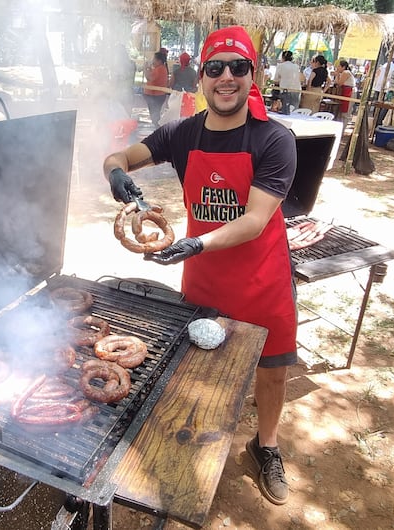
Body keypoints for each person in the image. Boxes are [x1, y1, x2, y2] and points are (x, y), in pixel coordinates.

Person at [103, 26, 297, 506]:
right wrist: (115, 174)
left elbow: (254, 221)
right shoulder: (181, 133)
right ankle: (196, 445)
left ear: (253, 75)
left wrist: (194, 244)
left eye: (238, 67)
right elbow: (119, 155)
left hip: (263, 280)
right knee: (199, 372)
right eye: (215, 68)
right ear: (202, 78)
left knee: (271, 371)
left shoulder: (274, 139)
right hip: (204, 280)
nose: (226, 77)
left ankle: (264, 446)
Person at [143, 51, 169, 127]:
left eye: (154, 59)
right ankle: (157, 128)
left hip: (155, 95)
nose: (152, 60)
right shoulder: (160, 68)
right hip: (156, 95)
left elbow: (149, 78)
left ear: (159, 61)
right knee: (155, 114)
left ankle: (157, 129)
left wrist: (145, 68)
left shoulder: (159, 69)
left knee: (155, 115)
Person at [273, 50, 302, 115]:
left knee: (285, 111)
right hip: (296, 90)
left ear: (283, 57)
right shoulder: (296, 66)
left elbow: (276, 80)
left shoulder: (280, 66)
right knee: (294, 111)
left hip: (285, 90)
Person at [333, 60, 356, 131]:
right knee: (341, 111)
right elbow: (337, 83)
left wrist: (337, 75)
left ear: (343, 67)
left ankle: (342, 129)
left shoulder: (346, 72)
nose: (337, 68)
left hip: (349, 92)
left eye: (339, 66)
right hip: (344, 92)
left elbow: (339, 83)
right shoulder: (342, 73)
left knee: (346, 112)